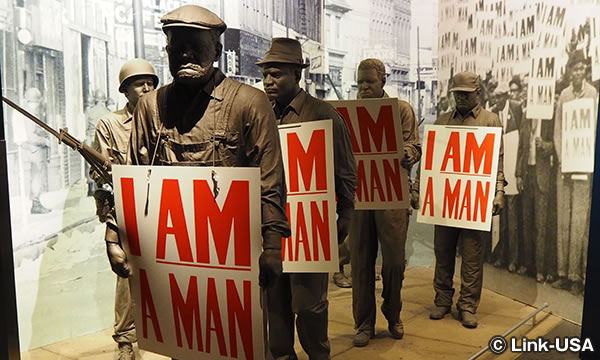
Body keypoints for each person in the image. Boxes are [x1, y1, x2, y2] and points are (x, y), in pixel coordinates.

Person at [103, 4, 291, 329]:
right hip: (172, 257)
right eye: (177, 48)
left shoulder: (248, 103)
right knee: (183, 342)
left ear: (217, 50)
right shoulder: (151, 107)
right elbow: (134, 176)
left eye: (196, 46)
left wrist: (273, 245)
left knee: (237, 337)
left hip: (232, 258)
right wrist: (113, 232)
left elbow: (269, 179)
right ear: (167, 51)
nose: (186, 54)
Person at [257, 37, 357, 359]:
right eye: (266, 75)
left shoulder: (323, 114)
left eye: (277, 74)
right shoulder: (261, 116)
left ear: (297, 74)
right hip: (270, 229)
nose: (268, 81)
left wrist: (346, 215)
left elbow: (346, 170)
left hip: (309, 228)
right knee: (276, 311)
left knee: (311, 310)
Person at [413, 72, 505, 328]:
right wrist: (418, 188)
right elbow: (428, 160)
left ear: (478, 92)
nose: (462, 98)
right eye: (458, 93)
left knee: (473, 256)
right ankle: (442, 300)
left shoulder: (490, 121)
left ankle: (467, 305)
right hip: (445, 200)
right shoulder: (442, 121)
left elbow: (498, 158)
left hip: (475, 200)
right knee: (442, 252)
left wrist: (498, 191)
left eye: (466, 93)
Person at [90, 58, 158, 360]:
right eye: (138, 83)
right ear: (125, 90)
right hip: (126, 204)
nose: (146, 88)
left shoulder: (163, 119)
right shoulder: (110, 123)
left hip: (161, 199)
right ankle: (127, 340)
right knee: (127, 272)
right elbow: (98, 171)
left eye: (151, 82)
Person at [350, 58, 421, 347]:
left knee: (393, 262)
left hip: (391, 193)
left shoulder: (401, 110)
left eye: (370, 81)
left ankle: (392, 313)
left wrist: (407, 153)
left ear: (382, 82)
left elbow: (414, 145)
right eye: (360, 82)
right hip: (358, 194)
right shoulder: (348, 113)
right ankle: (363, 323)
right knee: (360, 262)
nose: (364, 87)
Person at [551, 50, 598, 295]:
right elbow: (558, 132)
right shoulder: (564, 96)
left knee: (580, 222)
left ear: (586, 71)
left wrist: (585, 159)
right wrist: (563, 159)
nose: (578, 72)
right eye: (574, 68)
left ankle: (577, 276)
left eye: (582, 68)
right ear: (569, 71)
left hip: (584, 168)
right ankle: (562, 273)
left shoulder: (593, 95)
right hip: (565, 167)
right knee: (563, 221)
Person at [15, 87, 51, 214]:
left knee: (35, 177)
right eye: (36, 103)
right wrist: (45, 141)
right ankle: (36, 204)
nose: (37, 105)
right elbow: (31, 137)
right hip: (34, 151)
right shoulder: (29, 114)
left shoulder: (26, 112)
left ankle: (36, 203)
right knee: (37, 178)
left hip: (31, 151)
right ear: (32, 102)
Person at [85, 88, 110, 196]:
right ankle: (102, 186)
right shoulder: (109, 112)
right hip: (103, 141)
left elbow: (85, 127)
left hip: (91, 140)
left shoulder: (89, 112)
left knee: (90, 163)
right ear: (104, 100)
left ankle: (91, 186)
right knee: (103, 163)